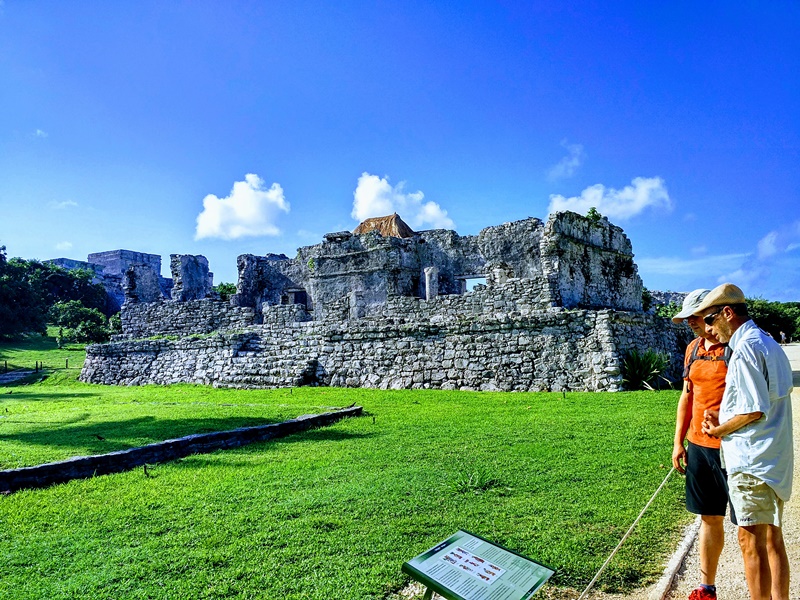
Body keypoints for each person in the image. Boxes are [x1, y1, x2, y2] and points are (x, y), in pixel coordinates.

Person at [696, 283, 794, 600]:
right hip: (772, 458)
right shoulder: (767, 342)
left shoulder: (746, 348)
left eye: (710, 320)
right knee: (771, 540)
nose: (709, 330)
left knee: (750, 541)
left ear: (727, 313)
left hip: (752, 461)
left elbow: (753, 410)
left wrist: (718, 430)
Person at [671, 289, 731, 600]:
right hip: (699, 445)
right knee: (708, 517)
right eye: (689, 318)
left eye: (696, 316)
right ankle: (707, 589)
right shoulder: (693, 348)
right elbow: (687, 395)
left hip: (731, 447)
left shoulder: (734, 348)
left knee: (751, 527)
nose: (691, 322)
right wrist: (678, 441)